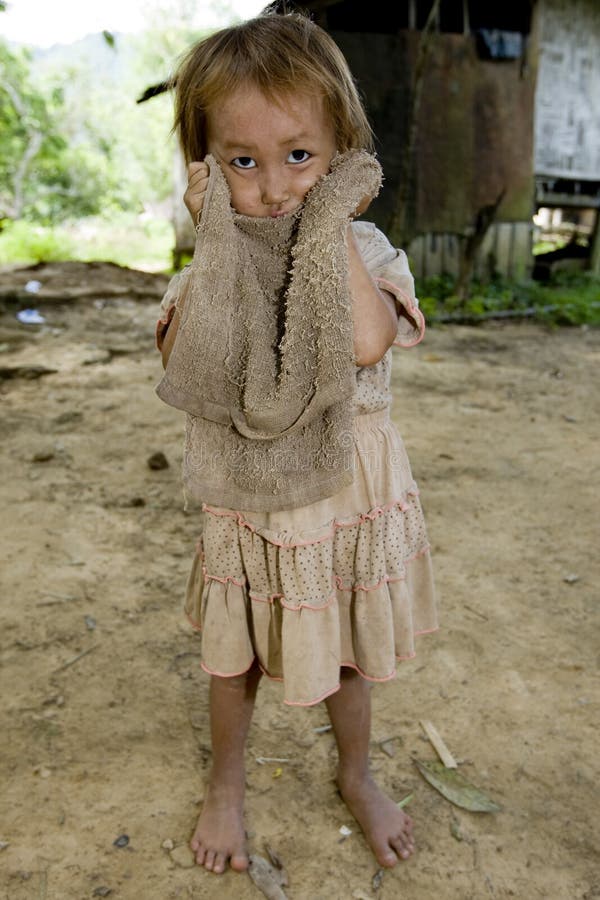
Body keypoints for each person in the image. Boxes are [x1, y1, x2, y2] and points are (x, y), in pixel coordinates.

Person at [155, 10, 437, 878]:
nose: (275, 187)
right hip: (253, 502)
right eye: (242, 162)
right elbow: (185, 362)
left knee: (345, 650)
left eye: (301, 156)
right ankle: (226, 786)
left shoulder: (367, 250)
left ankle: (357, 772)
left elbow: (365, 341)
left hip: (343, 503)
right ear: (205, 168)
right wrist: (216, 244)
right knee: (233, 656)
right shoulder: (211, 271)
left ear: (343, 155)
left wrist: (329, 221)